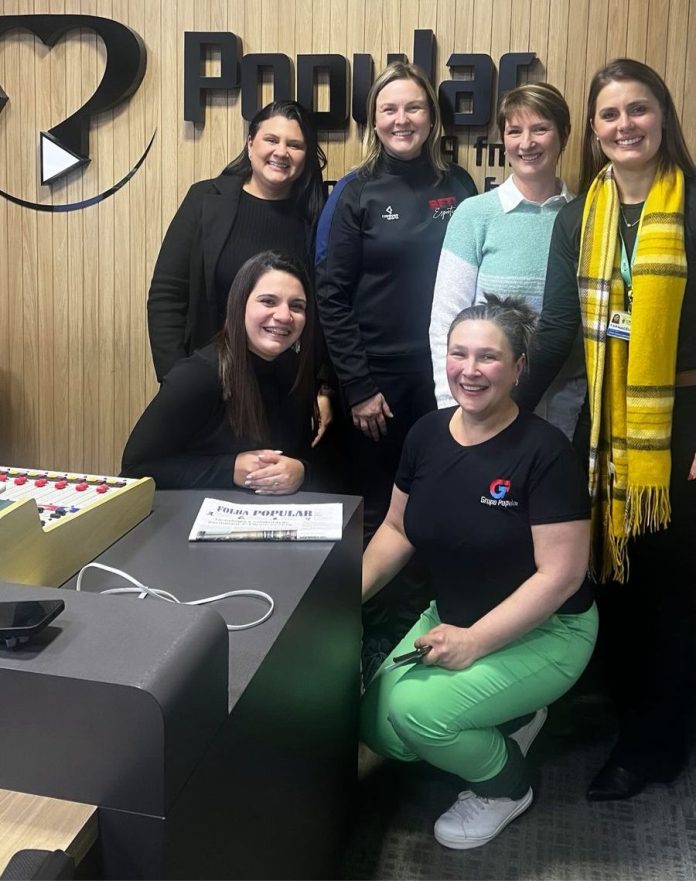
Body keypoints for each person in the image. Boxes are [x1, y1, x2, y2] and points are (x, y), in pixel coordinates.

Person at [516, 58, 696, 800]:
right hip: (604, 424)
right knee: (613, 578)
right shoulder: (579, 215)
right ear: (593, 129)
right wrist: (501, 410)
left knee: (673, 588)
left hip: (683, 427)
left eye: (639, 109)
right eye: (611, 114)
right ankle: (631, 719)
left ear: (663, 116)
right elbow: (560, 327)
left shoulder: (691, 203)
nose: (626, 125)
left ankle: (657, 745)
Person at [360, 295, 597, 850]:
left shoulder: (545, 452)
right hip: (453, 615)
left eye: (488, 357)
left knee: (418, 715)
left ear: (518, 368)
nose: (470, 370)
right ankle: (511, 718)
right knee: (378, 727)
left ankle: (506, 787)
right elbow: (396, 529)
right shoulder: (425, 434)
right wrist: (343, 593)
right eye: (459, 353)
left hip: (549, 631)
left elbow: (561, 576)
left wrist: (474, 642)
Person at [315, 62, 477, 672]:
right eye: (389, 109)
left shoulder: (458, 184)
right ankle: (370, 633)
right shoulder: (356, 191)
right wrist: (356, 386)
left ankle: (423, 627)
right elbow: (331, 294)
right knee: (382, 511)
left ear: (432, 118)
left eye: (413, 107)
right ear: (374, 120)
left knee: (439, 504)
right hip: (375, 385)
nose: (401, 119)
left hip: (446, 379)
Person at [430, 82, 585, 440]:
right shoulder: (475, 215)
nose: (526, 143)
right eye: (515, 131)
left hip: (567, 407)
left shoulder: (584, 216)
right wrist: (451, 408)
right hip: (484, 408)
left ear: (564, 134)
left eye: (540, 129)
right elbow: (445, 322)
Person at [147, 99, 326, 383]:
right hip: (209, 379)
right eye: (271, 140)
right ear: (250, 144)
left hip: (287, 386)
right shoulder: (205, 200)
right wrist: (177, 380)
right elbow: (167, 295)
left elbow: (324, 308)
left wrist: (322, 384)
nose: (281, 152)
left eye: (294, 145)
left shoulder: (316, 215)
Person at [122, 251, 318, 491]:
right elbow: (135, 468)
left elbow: (309, 457)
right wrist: (229, 470)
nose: (284, 316)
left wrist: (301, 471)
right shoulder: (197, 376)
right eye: (268, 301)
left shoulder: (295, 372)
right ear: (239, 304)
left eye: (297, 306)